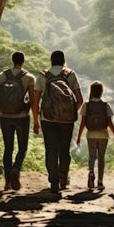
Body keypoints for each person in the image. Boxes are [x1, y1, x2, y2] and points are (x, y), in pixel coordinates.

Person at [32, 50, 83, 193]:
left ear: (51, 60)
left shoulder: (43, 76)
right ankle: (63, 178)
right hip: (66, 121)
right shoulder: (70, 74)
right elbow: (80, 100)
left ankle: (53, 181)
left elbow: (35, 101)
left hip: (47, 119)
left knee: (51, 150)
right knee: (64, 149)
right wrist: (70, 112)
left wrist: (36, 120)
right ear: (63, 60)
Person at [0, 51, 35, 191]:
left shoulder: (0, 77)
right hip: (22, 117)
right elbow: (33, 101)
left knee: (8, 148)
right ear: (23, 61)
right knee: (22, 148)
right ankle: (16, 168)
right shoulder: (29, 78)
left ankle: (7, 183)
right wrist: (37, 120)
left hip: (5, 117)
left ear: (12, 60)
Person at [76, 81, 114, 190]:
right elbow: (109, 122)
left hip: (90, 135)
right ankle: (100, 182)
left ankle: (91, 172)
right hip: (103, 135)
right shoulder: (105, 105)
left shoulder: (86, 105)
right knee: (101, 158)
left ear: (91, 91)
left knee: (92, 156)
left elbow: (83, 123)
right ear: (101, 92)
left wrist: (79, 136)